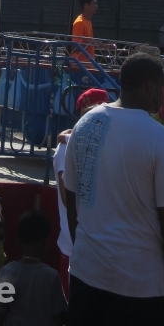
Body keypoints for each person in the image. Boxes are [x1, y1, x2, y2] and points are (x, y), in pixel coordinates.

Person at [63, 52, 164, 325]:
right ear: (150, 86)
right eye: (163, 88)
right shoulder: (162, 140)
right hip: (140, 290)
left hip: (85, 276)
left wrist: (87, 252)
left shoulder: (83, 124)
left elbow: (71, 200)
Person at [53, 88, 109, 295]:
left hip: (100, 247)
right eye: (90, 113)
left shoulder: (104, 145)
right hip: (74, 246)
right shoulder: (66, 146)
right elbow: (67, 198)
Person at [0, 210, 67, 326]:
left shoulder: (7, 272)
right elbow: (58, 318)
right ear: (45, 241)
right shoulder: (52, 276)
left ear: (18, 238)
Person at [71, 0, 98, 65]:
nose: (96, 6)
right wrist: (93, 43)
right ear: (86, 5)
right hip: (79, 67)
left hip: (87, 66)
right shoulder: (80, 23)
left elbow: (87, 44)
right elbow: (75, 47)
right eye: (94, 4)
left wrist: (105, 46)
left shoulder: (87, 21)